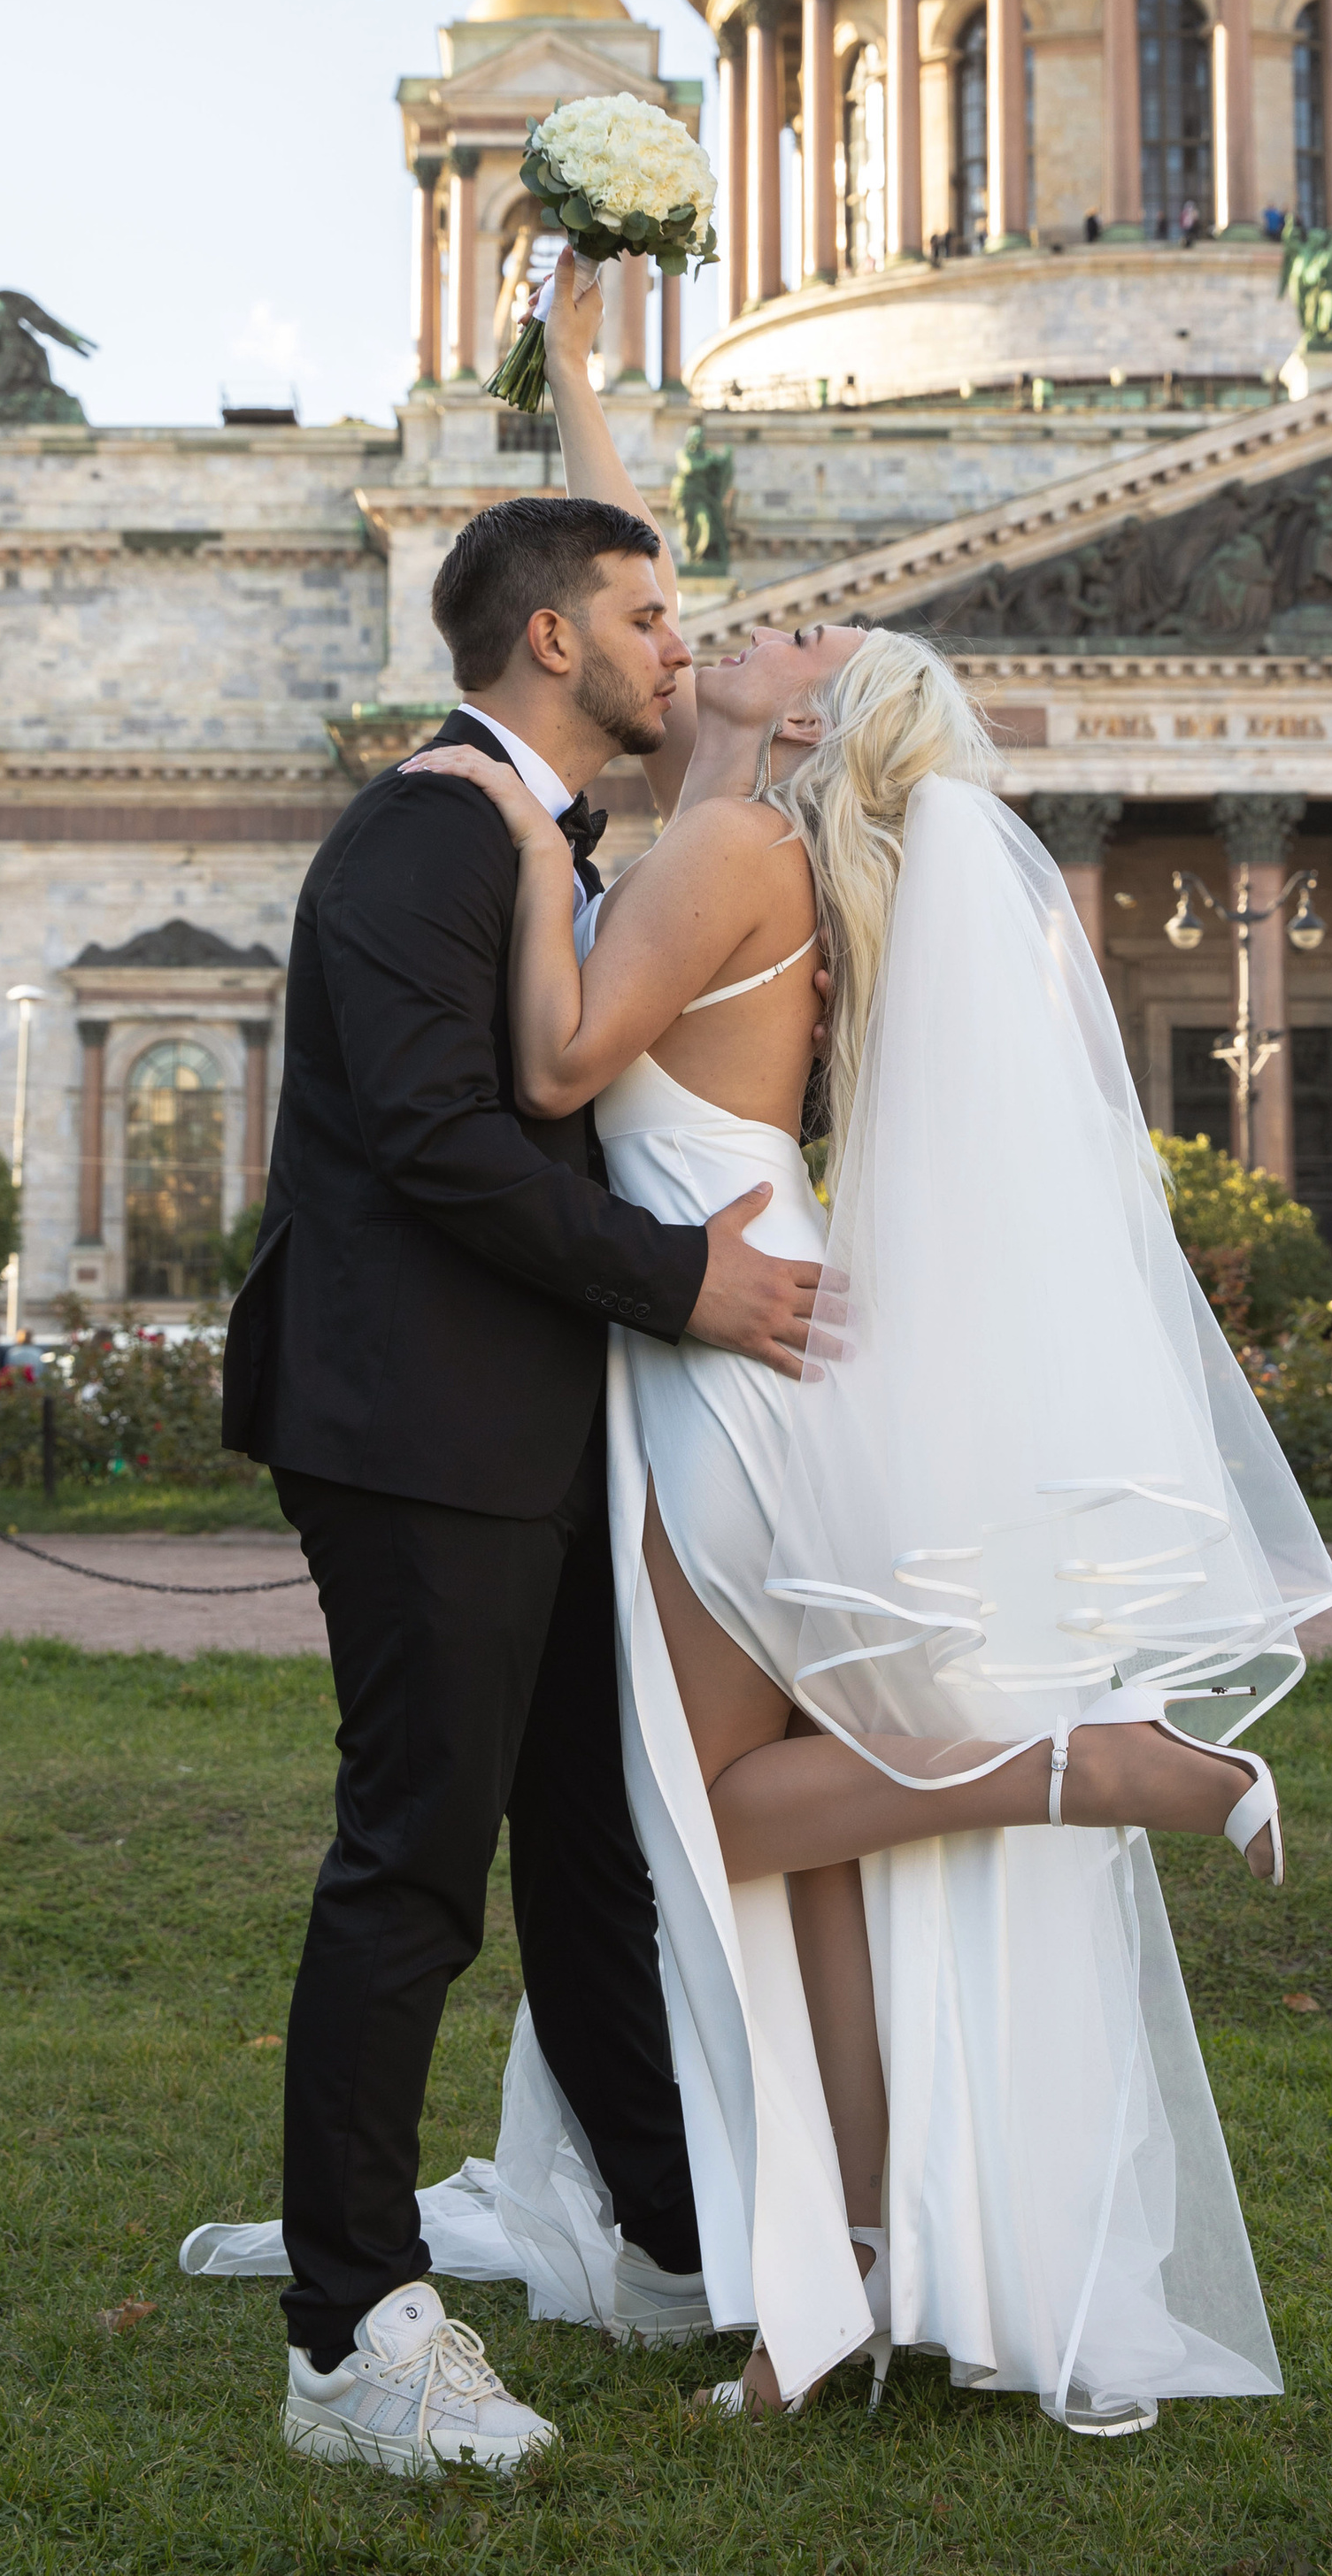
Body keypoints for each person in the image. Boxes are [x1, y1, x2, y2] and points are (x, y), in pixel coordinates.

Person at [389, 257, 1332, 2439]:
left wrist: (503, 811)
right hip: (772, 1336)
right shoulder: (750, 835)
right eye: (684, 621)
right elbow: (621, 596)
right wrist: (574, 380)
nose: (730, 624)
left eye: (788, 636)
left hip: (724, 1365)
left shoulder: (714, 844)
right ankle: (835, 2289)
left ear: (811, 718)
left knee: (719, 1819)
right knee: (799, 1852)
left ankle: (1088, 1770)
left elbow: (549, 1072)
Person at [220, 466, 833, 2479]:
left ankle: (661, 2235)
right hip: (418, 1424)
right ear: (552, 637)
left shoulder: (537, 831)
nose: (684, 643)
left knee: (593, 1845)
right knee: (412, 1861)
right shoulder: (423, 825)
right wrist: (689, 1281)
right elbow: (436, 1137)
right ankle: (351, 2327)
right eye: (651, 618)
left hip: (535, 1422)